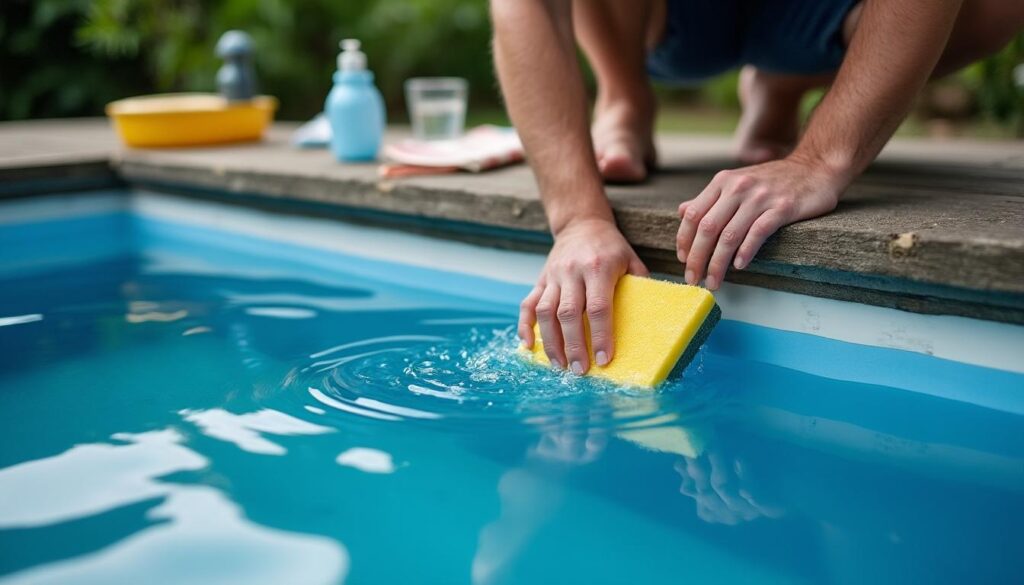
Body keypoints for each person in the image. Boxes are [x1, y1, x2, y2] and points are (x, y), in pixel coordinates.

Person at [490, 0, 1024, 374]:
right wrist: (579, 219)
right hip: (669, 20)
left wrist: (822, 160)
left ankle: (783, 85)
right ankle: (624, 92)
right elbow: (528, 6)